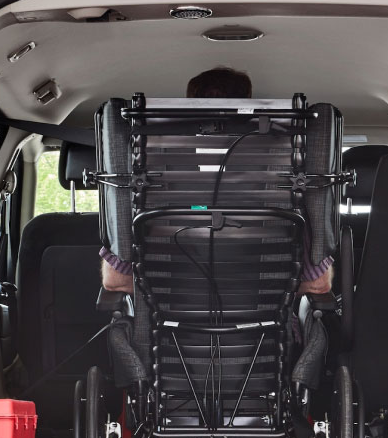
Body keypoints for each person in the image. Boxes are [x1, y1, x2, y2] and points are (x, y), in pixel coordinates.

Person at [99, 66, 333, 294]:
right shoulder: (285, 190)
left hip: (165, 329)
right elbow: (318, 284)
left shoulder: (146, 191)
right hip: (267, 331)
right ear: (248, 108)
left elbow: (116, 281)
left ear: (188, 110)